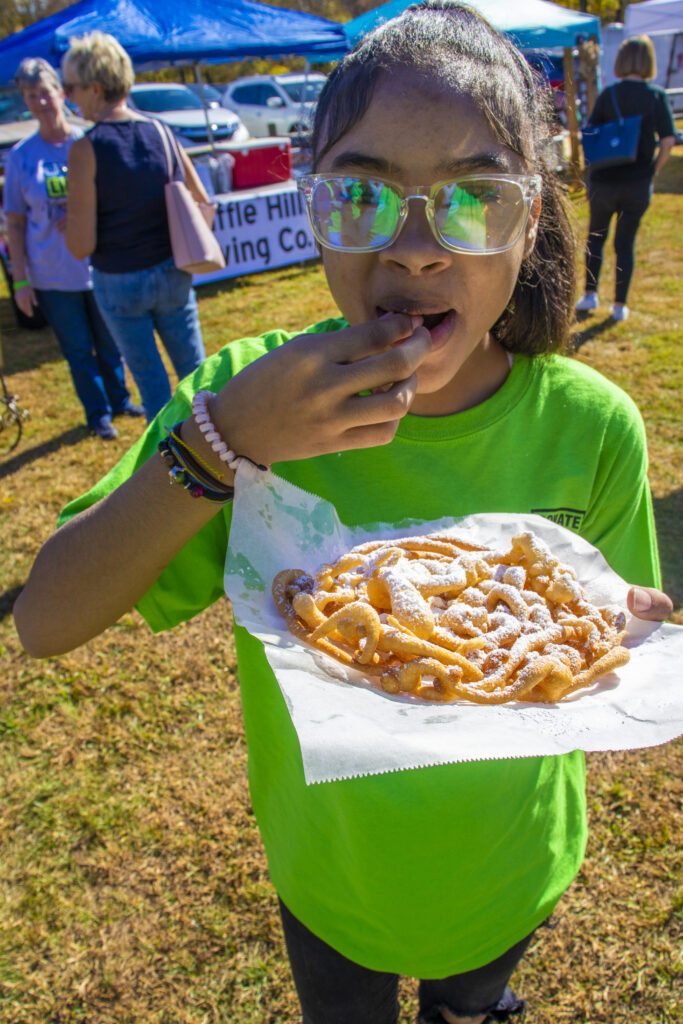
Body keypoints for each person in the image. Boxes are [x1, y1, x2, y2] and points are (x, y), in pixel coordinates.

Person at [13, 5, 674, 1023]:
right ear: (312, 203)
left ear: (530, 217)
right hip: (330, 883)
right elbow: (46, 619)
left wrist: (631, 626)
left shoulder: (588, 429)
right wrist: (221, 443)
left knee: (472, 1002)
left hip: (510, 868)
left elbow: (603, 645)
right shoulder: (243, 402)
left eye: (474, 199)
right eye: (361, 193)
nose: (413, 249)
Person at [62, 31, 208, 421]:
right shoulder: (161, 132)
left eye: (69, 88)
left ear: (94, 88)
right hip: (172, 270)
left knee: (151, 383)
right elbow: (200, 200)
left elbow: (80, 245)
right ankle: (221, 454)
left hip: (120, 280)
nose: (67, 97)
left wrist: (66, 221)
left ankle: (172, 469)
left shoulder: (85, 149)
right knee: (198, 374)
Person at [3, 57, 143, 440]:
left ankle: (120, 399)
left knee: (110, 341)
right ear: (26, 101)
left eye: (46, 92)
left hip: (98, 266)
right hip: (52, 272)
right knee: (78, 349)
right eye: (31, 96)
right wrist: (20, 280)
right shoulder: (21, 157)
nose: (41, 102)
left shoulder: (89, 141)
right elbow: (14, 223)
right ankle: (96, 413)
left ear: (61, 93)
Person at [576, 35, 676, 322]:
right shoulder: (656, 96)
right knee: (625, 243)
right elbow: (668, 139)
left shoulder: (610, 95)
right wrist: (654, 168)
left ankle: (590, 294)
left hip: (605, 181)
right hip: (638, 182)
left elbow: (591, 134)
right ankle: (619, 305)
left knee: (596, 238)